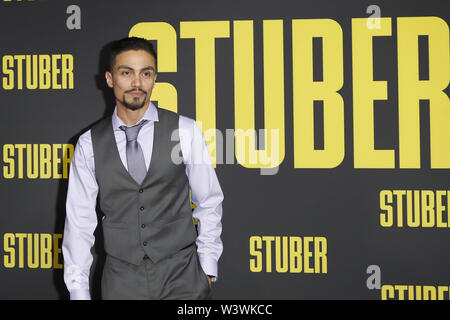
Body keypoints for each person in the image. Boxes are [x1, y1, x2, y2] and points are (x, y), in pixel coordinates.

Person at [62, 37, 224, 300]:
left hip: (182, 278)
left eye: (145, 73)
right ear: (110, 78)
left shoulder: (184, 131)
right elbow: (79, 224)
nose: (137, 83)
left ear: (154, 78)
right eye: (126, 73)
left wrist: (207, 267)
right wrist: (79, 292)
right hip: (120, 283)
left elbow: (209, 201)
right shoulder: (89, 144)